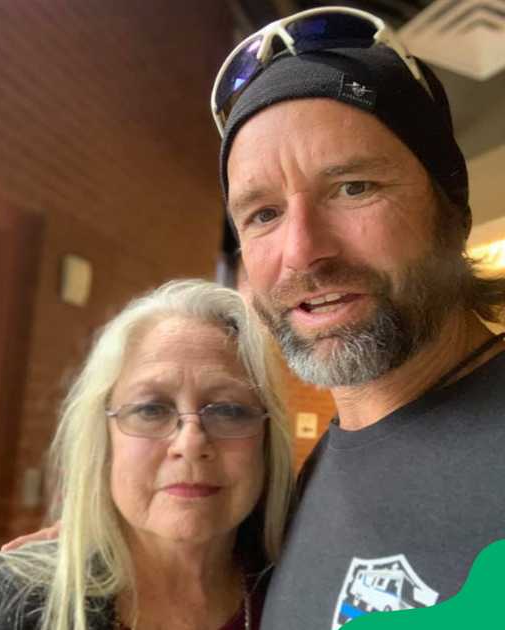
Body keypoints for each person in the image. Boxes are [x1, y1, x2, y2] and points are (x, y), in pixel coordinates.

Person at [214, 6, 505, 628]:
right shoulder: (312, 477)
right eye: (263, 214)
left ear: (452, 210)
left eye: (353, 188)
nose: (302, 253)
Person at [0, 280, 294, 630]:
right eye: (151, 409)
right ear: (102, 440)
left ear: (267, 441)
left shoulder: (313, 588)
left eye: (227, 411)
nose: (190, 443)